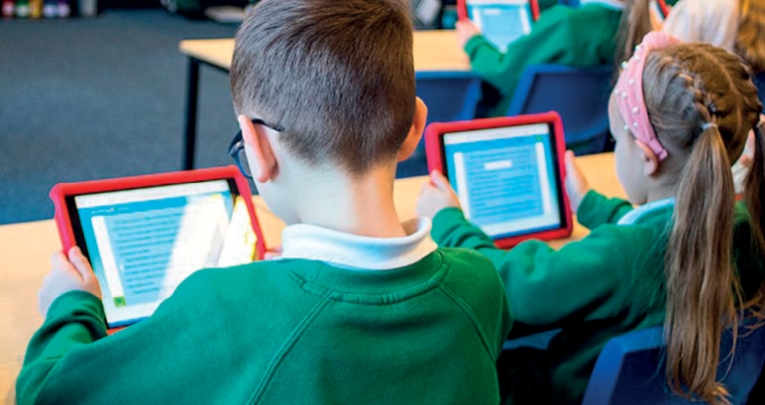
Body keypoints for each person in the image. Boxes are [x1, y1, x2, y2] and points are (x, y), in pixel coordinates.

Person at [15, 0, 513, 404]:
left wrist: (71, 304)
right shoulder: (480, 284)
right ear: (414, 129)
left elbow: (49, 392)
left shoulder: (224, 308)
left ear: (256, 148)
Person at [418, 32, 765, 404]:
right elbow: (655, 227)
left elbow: (511, 289)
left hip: (561, 393)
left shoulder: (622, 256)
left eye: (618, 139)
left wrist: (450, 221)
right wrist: (589, 204)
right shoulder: (747, 224)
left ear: (648, 157)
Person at [458, 0, 652, 117]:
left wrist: (473, 42)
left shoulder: (567, 23)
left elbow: (503, 71)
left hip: (522, 126)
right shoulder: (640, 27)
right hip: (587, 138)